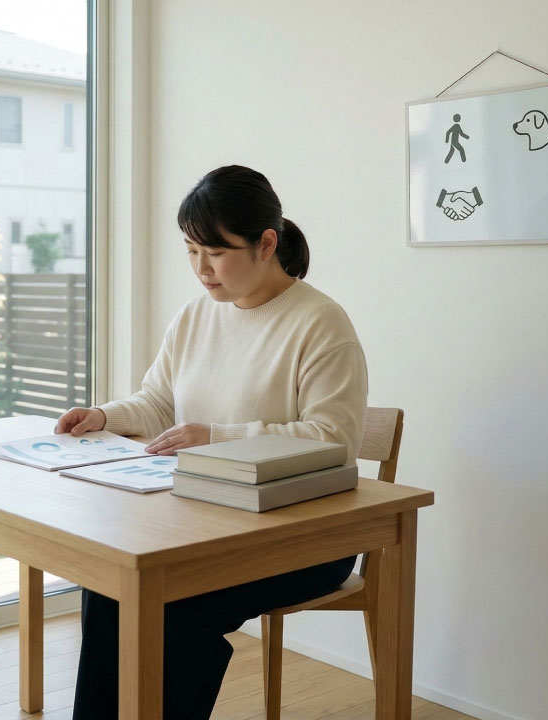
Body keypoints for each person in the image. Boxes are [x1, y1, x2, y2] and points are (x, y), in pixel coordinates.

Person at [53, 165, 369, 719]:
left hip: (306, 535)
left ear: (266, 243)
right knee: (108, 587)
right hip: (210, 518)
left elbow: (334, 440)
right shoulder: (198, 315)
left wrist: (215, 437)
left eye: (216, 252)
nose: (201, 269)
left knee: (178, 606)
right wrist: (103, 416)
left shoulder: (321, 323)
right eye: (191, 251)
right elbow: (157, 403)